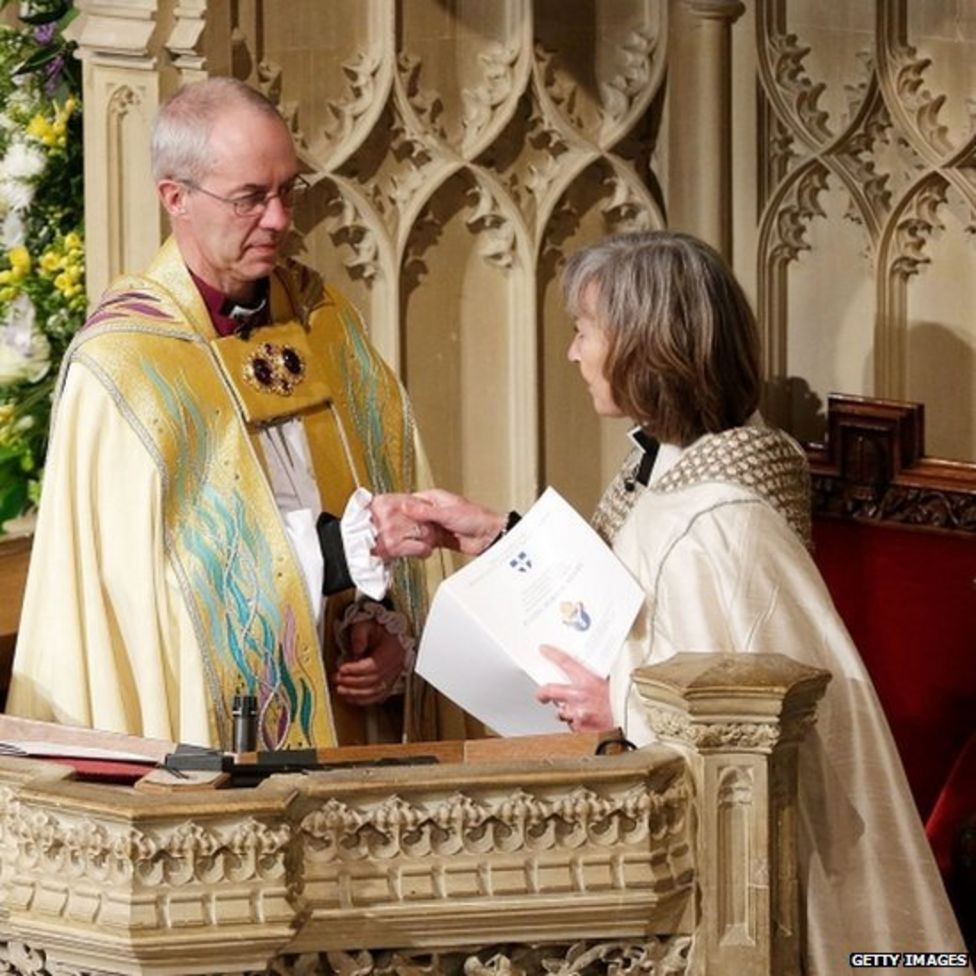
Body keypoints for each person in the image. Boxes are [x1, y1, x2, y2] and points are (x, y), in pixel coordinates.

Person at [384, 231, 970, 973]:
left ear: (640, 345)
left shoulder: (719, 516)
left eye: (583, 331)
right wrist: (494, 532)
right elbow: (622, 593)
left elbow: (745, 718)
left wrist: (618, 704)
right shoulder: (666, 467)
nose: (571, 354)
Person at [6, 77, 448, 751]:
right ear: (174, 198)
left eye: (287, 191)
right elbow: (153, 601)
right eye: (250, 199)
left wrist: (390, 630)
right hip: (221, 749)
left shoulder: (323, 318)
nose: (279, 220)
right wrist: (333, 554)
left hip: (357, 732)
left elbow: (386, 494)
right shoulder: (124, 366)